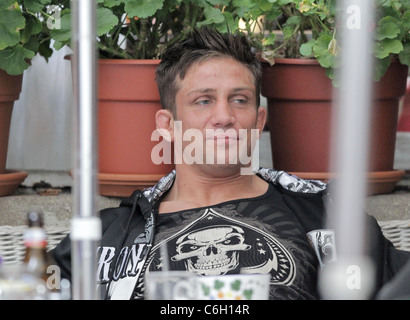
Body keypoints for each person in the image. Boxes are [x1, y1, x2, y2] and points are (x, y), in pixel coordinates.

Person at [51, 26, 410, 300]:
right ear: (167, 126)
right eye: (203, 101)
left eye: (239, 100)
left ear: (258, 121)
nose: (224, 116)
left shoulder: (328, 217)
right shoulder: (106, 236)